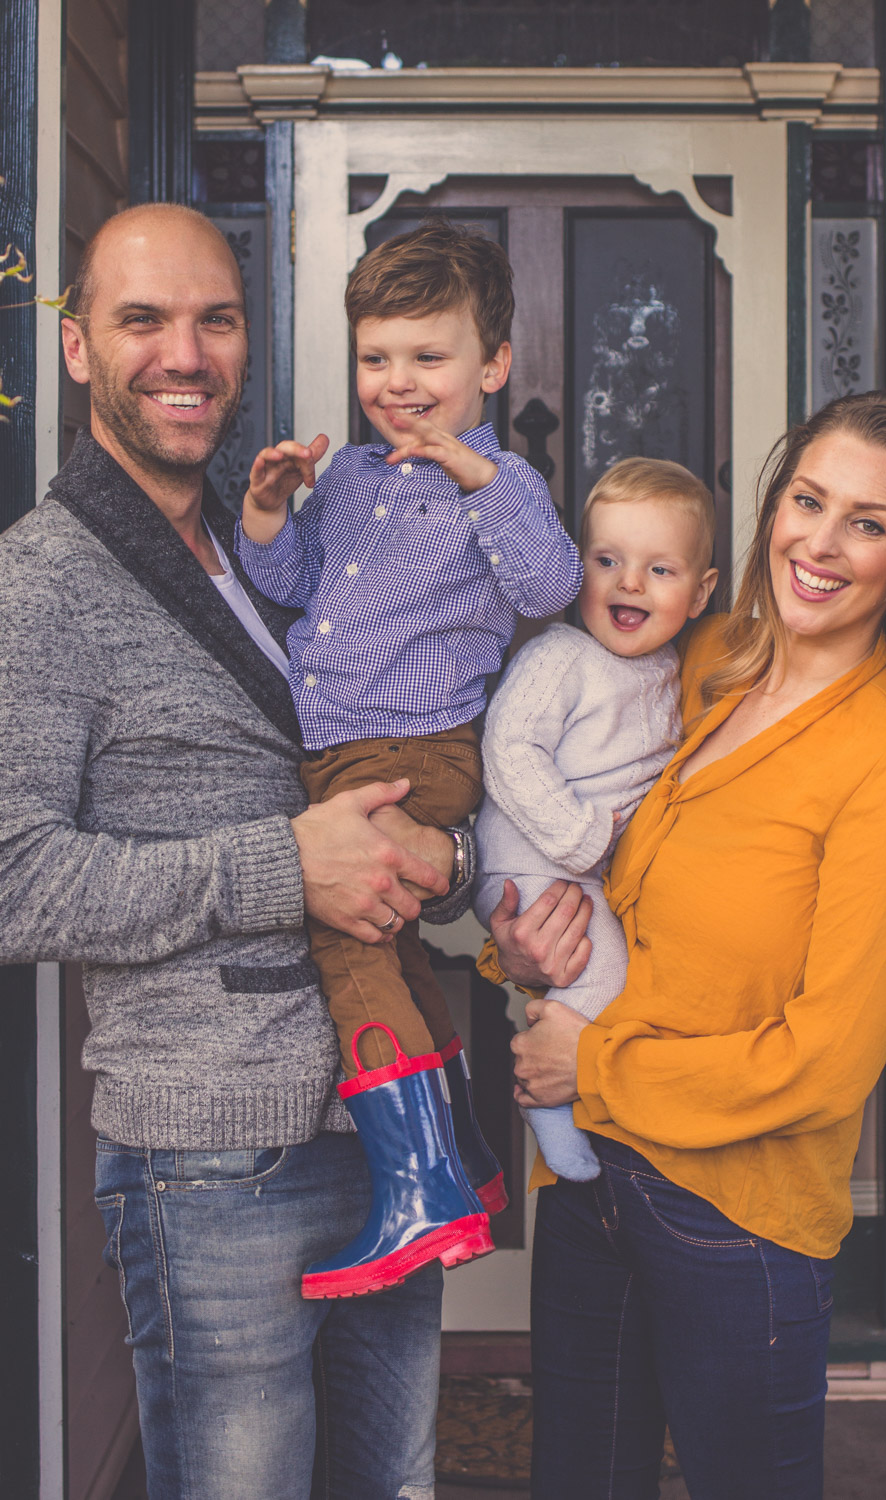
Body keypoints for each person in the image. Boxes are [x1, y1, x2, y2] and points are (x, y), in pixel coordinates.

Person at [0, 202, 467, 1500]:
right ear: (80, 345)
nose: (184, 353)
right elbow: (15, 876)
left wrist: (460, 860)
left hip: (385, 1121)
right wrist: (282, 867)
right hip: (212, 1157)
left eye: (215, 318)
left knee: (395, 1485)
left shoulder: (287, 543)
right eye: (142, 319)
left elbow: (410, 757)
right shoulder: (37, 587)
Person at [479, 392, 886, 1499]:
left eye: (866, 521)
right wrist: (517, 949)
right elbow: (581, 848)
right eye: (806, 501)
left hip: (734, 1221)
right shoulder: (701, 656)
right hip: (591, 1182)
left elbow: (828, 1062)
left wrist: (594, 1064)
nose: (819, 542)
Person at [235, 219, 582, 1295]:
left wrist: (479, 478)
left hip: (422, 752)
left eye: (429, 358)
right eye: (377, 358)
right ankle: (466, 1161)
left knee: (343, 935)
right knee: (389, 949)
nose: (399, 382)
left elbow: (547, 588)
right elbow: (297, 586)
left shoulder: (502, 489)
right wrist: (265, 509)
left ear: (490, 365)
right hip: (340, 754)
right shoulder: (345, 481)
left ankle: (418, 1187)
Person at [473, 458, 717, 1180]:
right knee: (605, 967)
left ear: (701, 593)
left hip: (580, 862)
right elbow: (509, 746)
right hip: (534, 859)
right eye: (606, 560)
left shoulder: (673, 667)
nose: (628, 583)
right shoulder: (562, 657)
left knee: (621, 969)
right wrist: (580, 837)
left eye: (659, 570)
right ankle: (548, 1093)